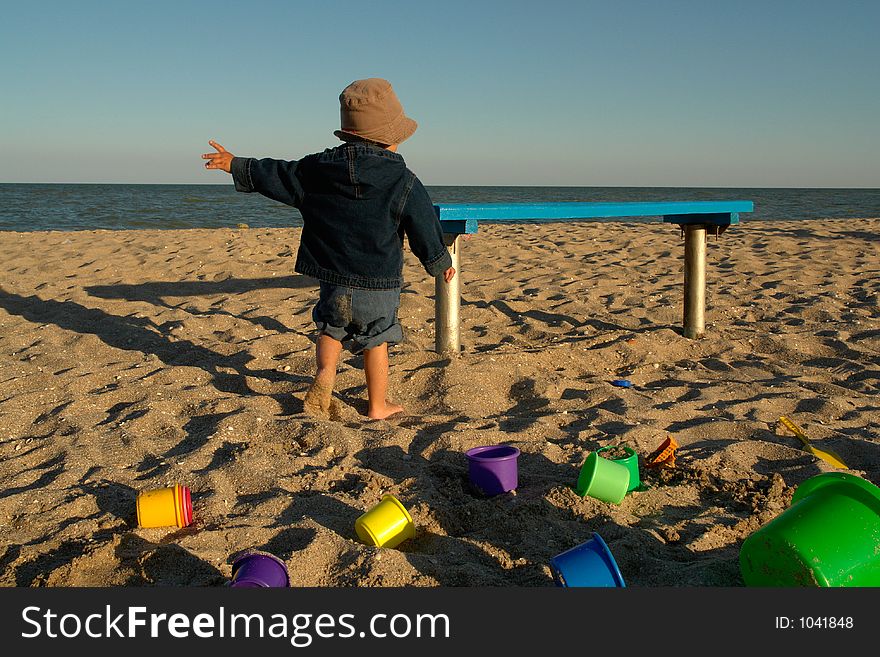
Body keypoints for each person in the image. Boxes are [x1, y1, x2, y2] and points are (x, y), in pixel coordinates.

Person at [202, 78, 454, 420]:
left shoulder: (316, 170)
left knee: (330, 330)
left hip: (333, 278)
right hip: (378, 281)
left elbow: (277, 174)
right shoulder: (403, 180)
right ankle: (378, 405)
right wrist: (439, 261)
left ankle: (324, 375)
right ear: (389, 139)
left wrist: (236, 163)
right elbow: (422, 223)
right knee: (376, 339)